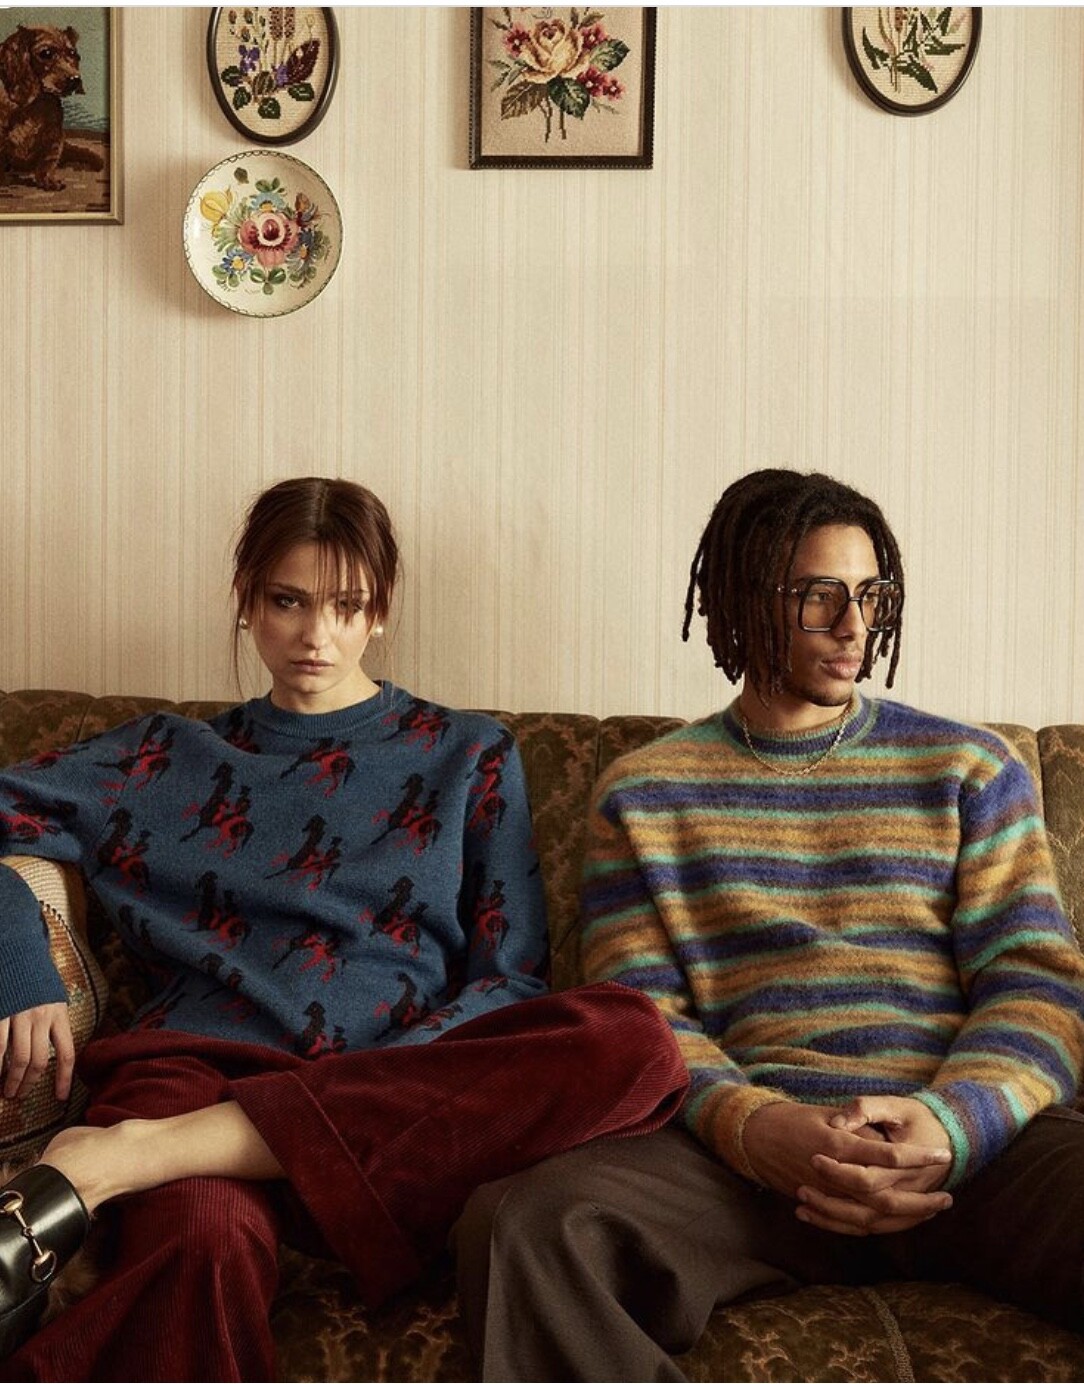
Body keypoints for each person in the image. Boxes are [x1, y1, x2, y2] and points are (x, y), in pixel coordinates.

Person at [0, 476, 688, 1381]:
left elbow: (511, 976)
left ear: (381, 611)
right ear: (247, 602)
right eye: (288, 602)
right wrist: (20, 959)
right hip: (198, 1072)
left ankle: (130, 1158)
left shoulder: (470, 755)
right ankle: (175, 1153)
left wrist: (382, 1081)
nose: (315, 635)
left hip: (390, 1099)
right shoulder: (166, 756)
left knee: (634, 1041)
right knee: (203, 1242)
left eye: (346, 606)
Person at [453, 467, 1084, 1381]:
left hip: (971, 1152)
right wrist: (758, 1130)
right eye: (818, 595)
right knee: (519, 1224)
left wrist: (951, 1124)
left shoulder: (969, 768)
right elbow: (641, 1017)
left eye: (870, 594)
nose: (854, 625)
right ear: (746, 601)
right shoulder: (645, 792)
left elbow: (1038, 986)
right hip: (748, 1169)